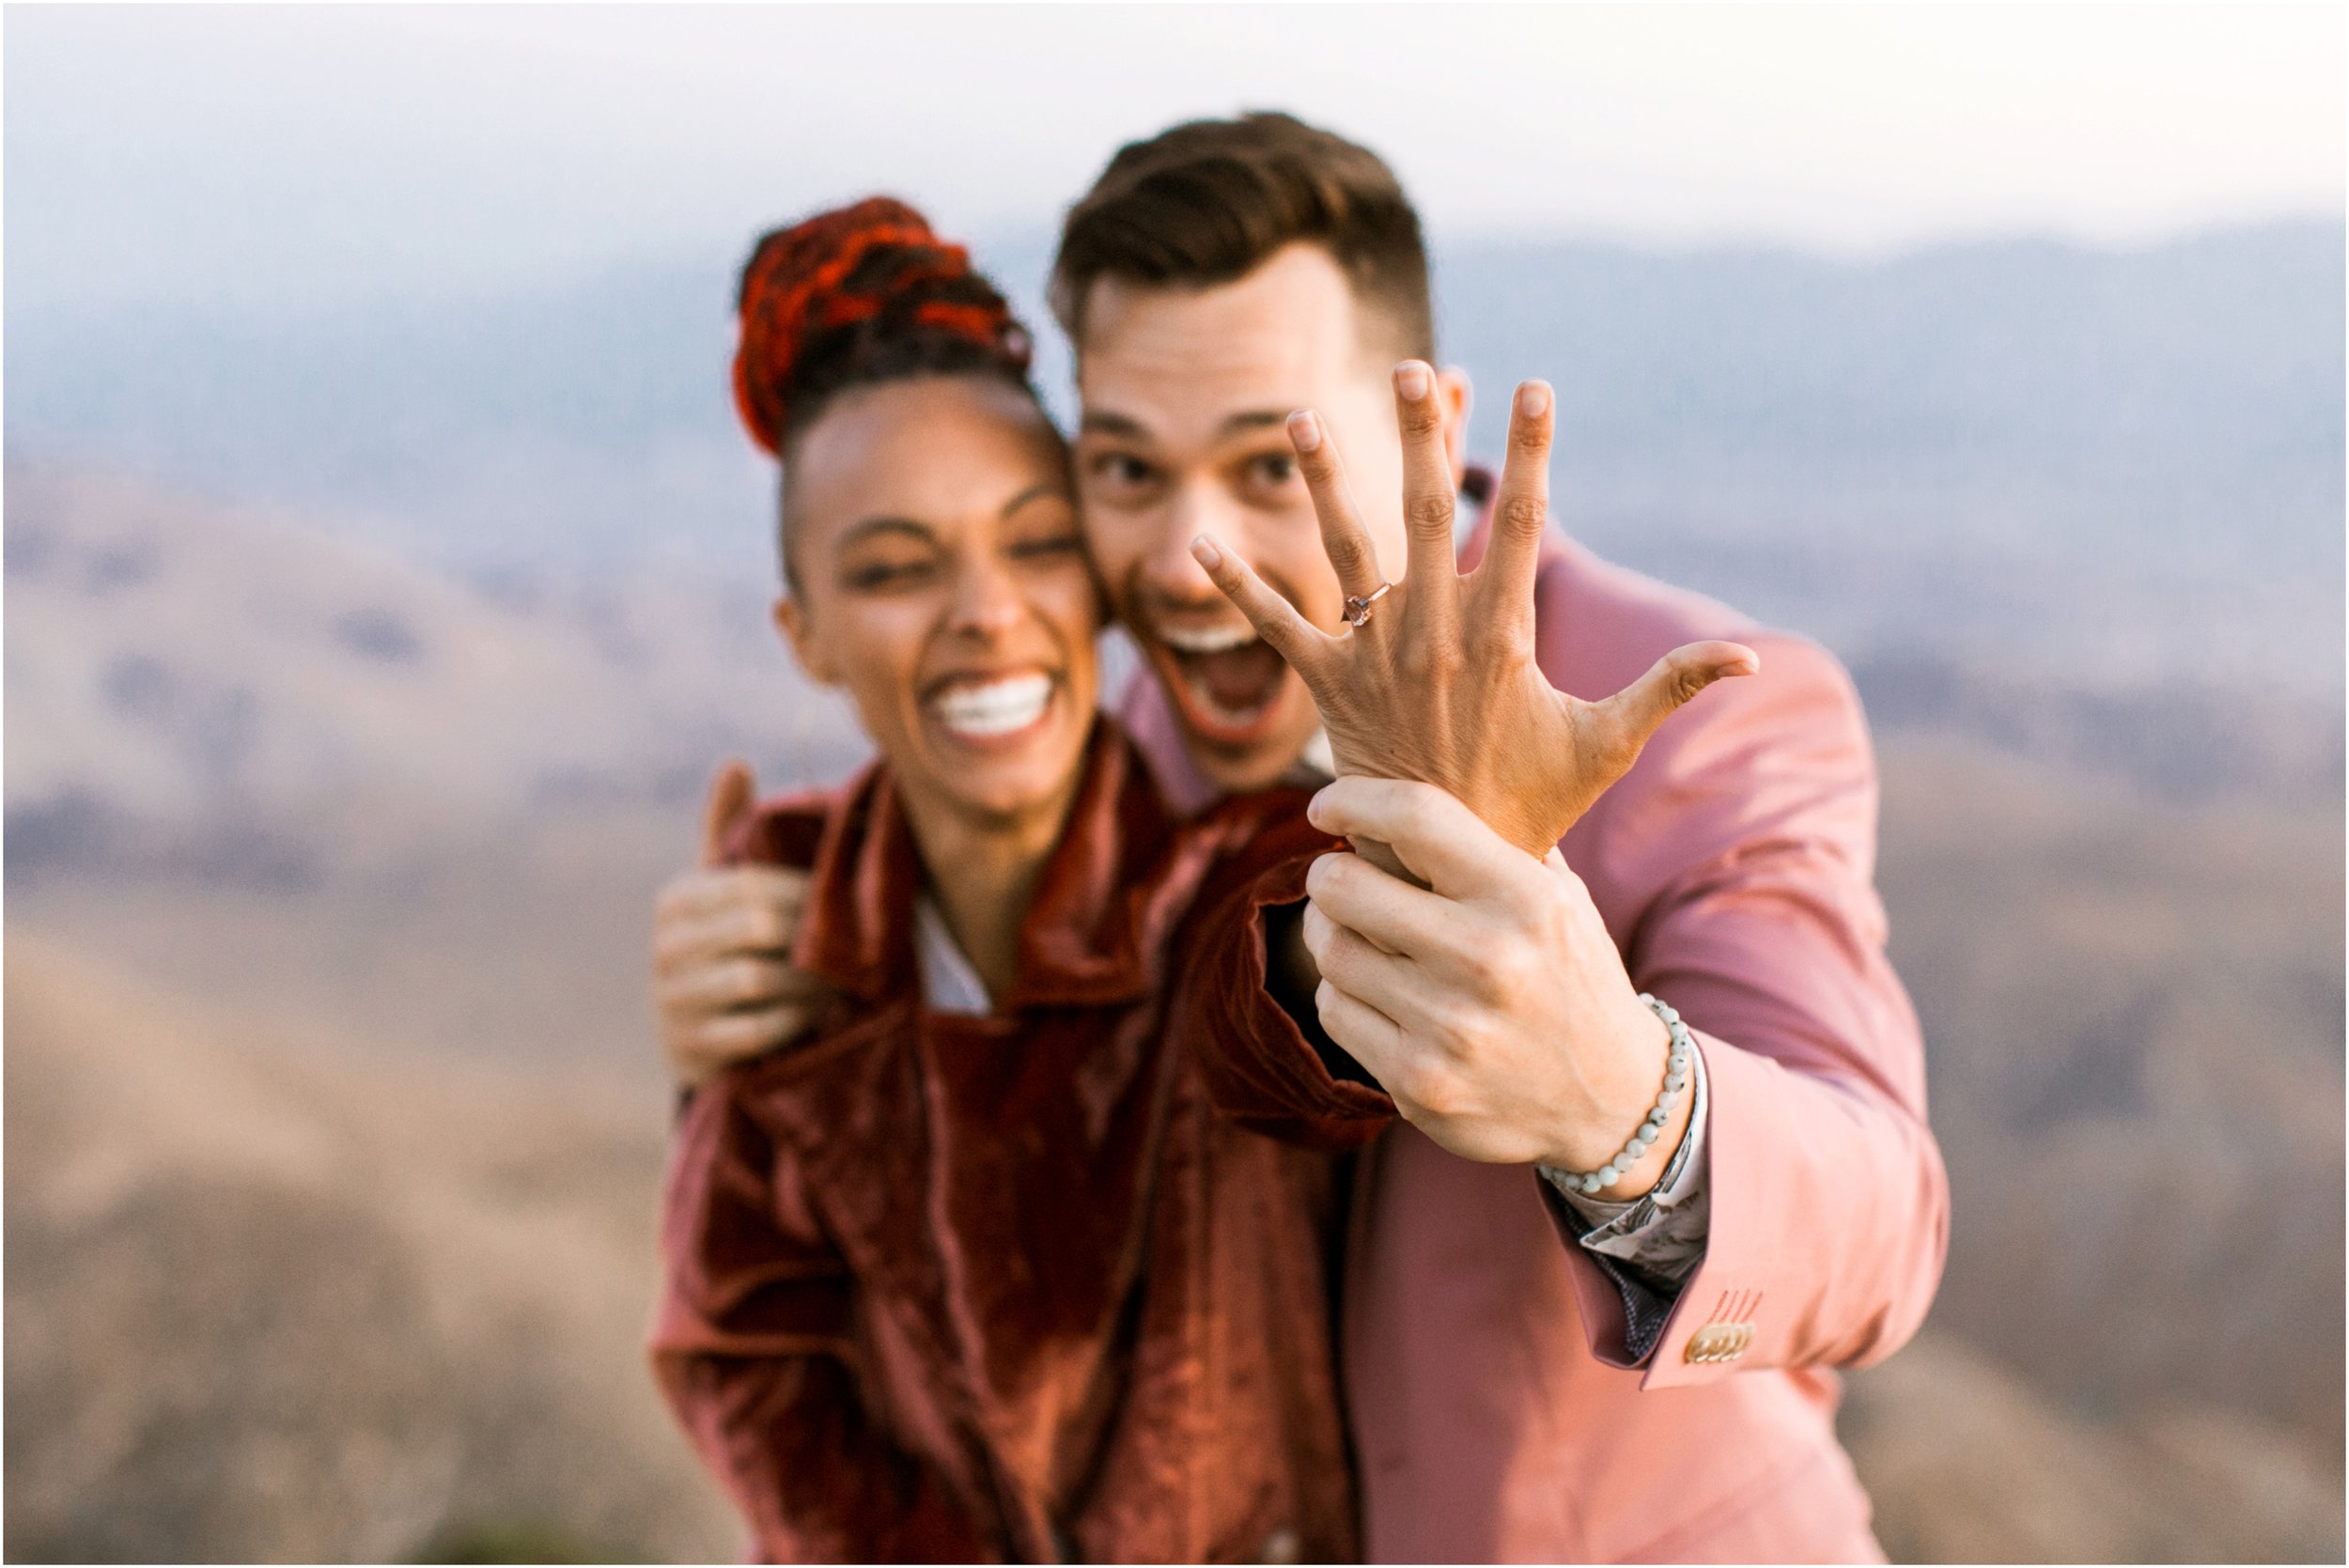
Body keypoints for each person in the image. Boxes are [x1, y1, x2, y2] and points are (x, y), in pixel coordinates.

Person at [655, 116, 1949, 1562]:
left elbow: (1883, 1226)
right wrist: (763, 1007)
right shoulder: (1104, 748)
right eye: (1130, 469)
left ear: (1435, 428)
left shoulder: (1687, 716)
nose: (1184, 559)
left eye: (1273, 466)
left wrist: (1618, 1097)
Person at [648, 197, 1361, 1562]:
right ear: (806, 634)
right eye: (896, 569)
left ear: (1095, 580)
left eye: (1035, 544)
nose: (985, 611)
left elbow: (1315, 1018)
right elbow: (742, 1352)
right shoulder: (787, 917)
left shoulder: (1245, 875)